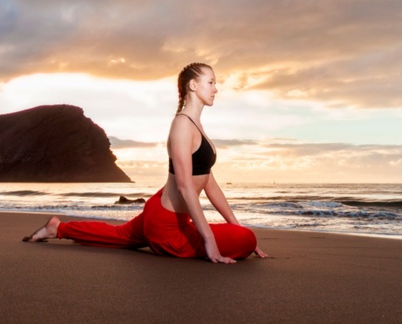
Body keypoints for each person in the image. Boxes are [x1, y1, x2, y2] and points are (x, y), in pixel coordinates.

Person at [23, 62, 267, 263]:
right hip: (166, 226)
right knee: (247, 241)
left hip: (161, 212)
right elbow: (184, 186)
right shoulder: (182, 125)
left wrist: (236, 225)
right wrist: (210, 243)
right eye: (211, 82)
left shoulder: (196, 126)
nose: (216, 89)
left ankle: (58, 228)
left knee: (116, 234)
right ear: (193, 85)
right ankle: (61, 229)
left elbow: (208, 182)